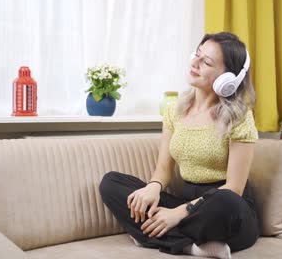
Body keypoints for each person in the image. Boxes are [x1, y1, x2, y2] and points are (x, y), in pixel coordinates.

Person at [99, 32, 259, 259]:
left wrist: (177, 214)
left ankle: (152, 237)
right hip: (187, 202)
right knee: (111, 183)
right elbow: (163, 169)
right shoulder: (175, 110)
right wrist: (153, 187)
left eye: (206, 62)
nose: (195, 63)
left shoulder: (240, 117)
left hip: (225, 208)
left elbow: (234, 189)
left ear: (228, 78)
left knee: (227, 202)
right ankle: (190, 246)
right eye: (197, 54)